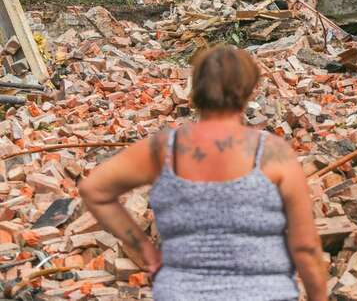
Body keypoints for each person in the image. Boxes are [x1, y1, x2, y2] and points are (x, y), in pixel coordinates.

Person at [79, 45, 327, 301]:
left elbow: (94, 190)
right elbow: (306, 247)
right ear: (249, 89)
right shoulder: (274, 153)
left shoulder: (163, 149)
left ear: (196, 89)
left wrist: (144, 250)